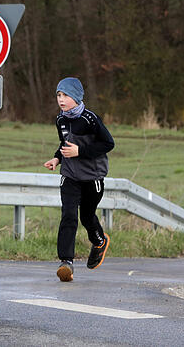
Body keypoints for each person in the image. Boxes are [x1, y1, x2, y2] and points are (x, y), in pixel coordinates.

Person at [43, 77, 115, 282]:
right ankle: (66, 262)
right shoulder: (61, 120)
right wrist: (57, 158)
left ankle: (99, 241)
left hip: (93, 176)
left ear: (76, 97)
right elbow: (64, 144)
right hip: (70, 175)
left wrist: (80, 151)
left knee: (86, 216)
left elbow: (108, 144)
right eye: (58, 95)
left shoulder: (90, 119)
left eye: (65, 95)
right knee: (68, 215)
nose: (61, 99)